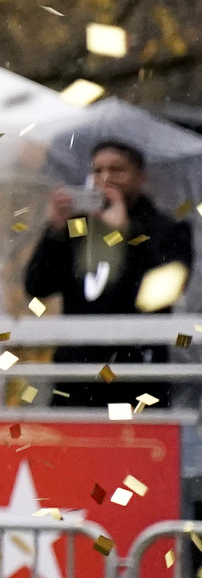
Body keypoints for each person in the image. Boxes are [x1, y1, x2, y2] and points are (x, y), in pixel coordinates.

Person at [27, 140, 195, 405]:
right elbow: (37, 286)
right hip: (77, 374)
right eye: (98, 171)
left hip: (136, 374)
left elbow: (160, 296)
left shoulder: (168, 230)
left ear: (140, 177)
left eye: (117, 170)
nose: (106, 178)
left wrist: (125, 237)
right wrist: (54, 232)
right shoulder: (77, 227)